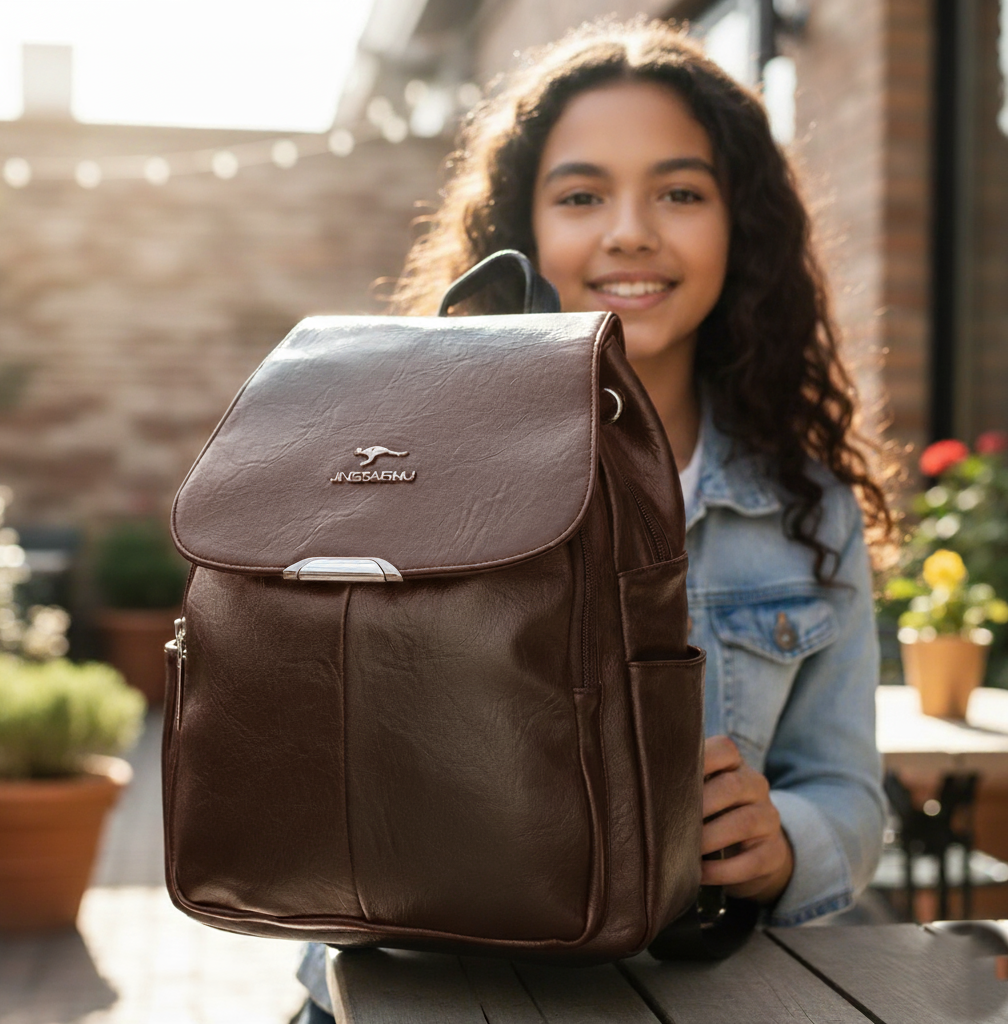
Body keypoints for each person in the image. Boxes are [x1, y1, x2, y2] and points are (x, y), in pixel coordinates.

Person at [295, 18, 893, 1021]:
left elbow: (849, 793)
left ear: (740, 224)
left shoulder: (807, 507)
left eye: (680, 192)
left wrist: (784, 838)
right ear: (522, 229)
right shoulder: (403, 466)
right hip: (423, 990)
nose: (630, 231)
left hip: (679, 996)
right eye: (581, 196)